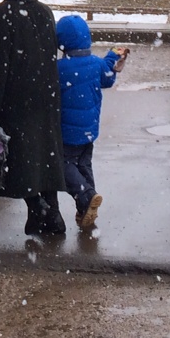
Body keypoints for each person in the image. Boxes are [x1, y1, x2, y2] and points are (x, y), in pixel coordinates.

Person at [0, 0, 67, 237]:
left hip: (14, 101)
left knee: (19, 160)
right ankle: (49, 215)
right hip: (45, 97)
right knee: (44, 156)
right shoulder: (44, 12)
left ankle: (39, 209)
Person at [55, 15, 129, 232]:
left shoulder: (59, 68)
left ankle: (86, 197)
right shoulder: (96, 64)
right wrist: (112, 56)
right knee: (84, 164)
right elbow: (107, 76)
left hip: (67, 132)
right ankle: (86, 208)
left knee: (64, 165)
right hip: (89, 129)